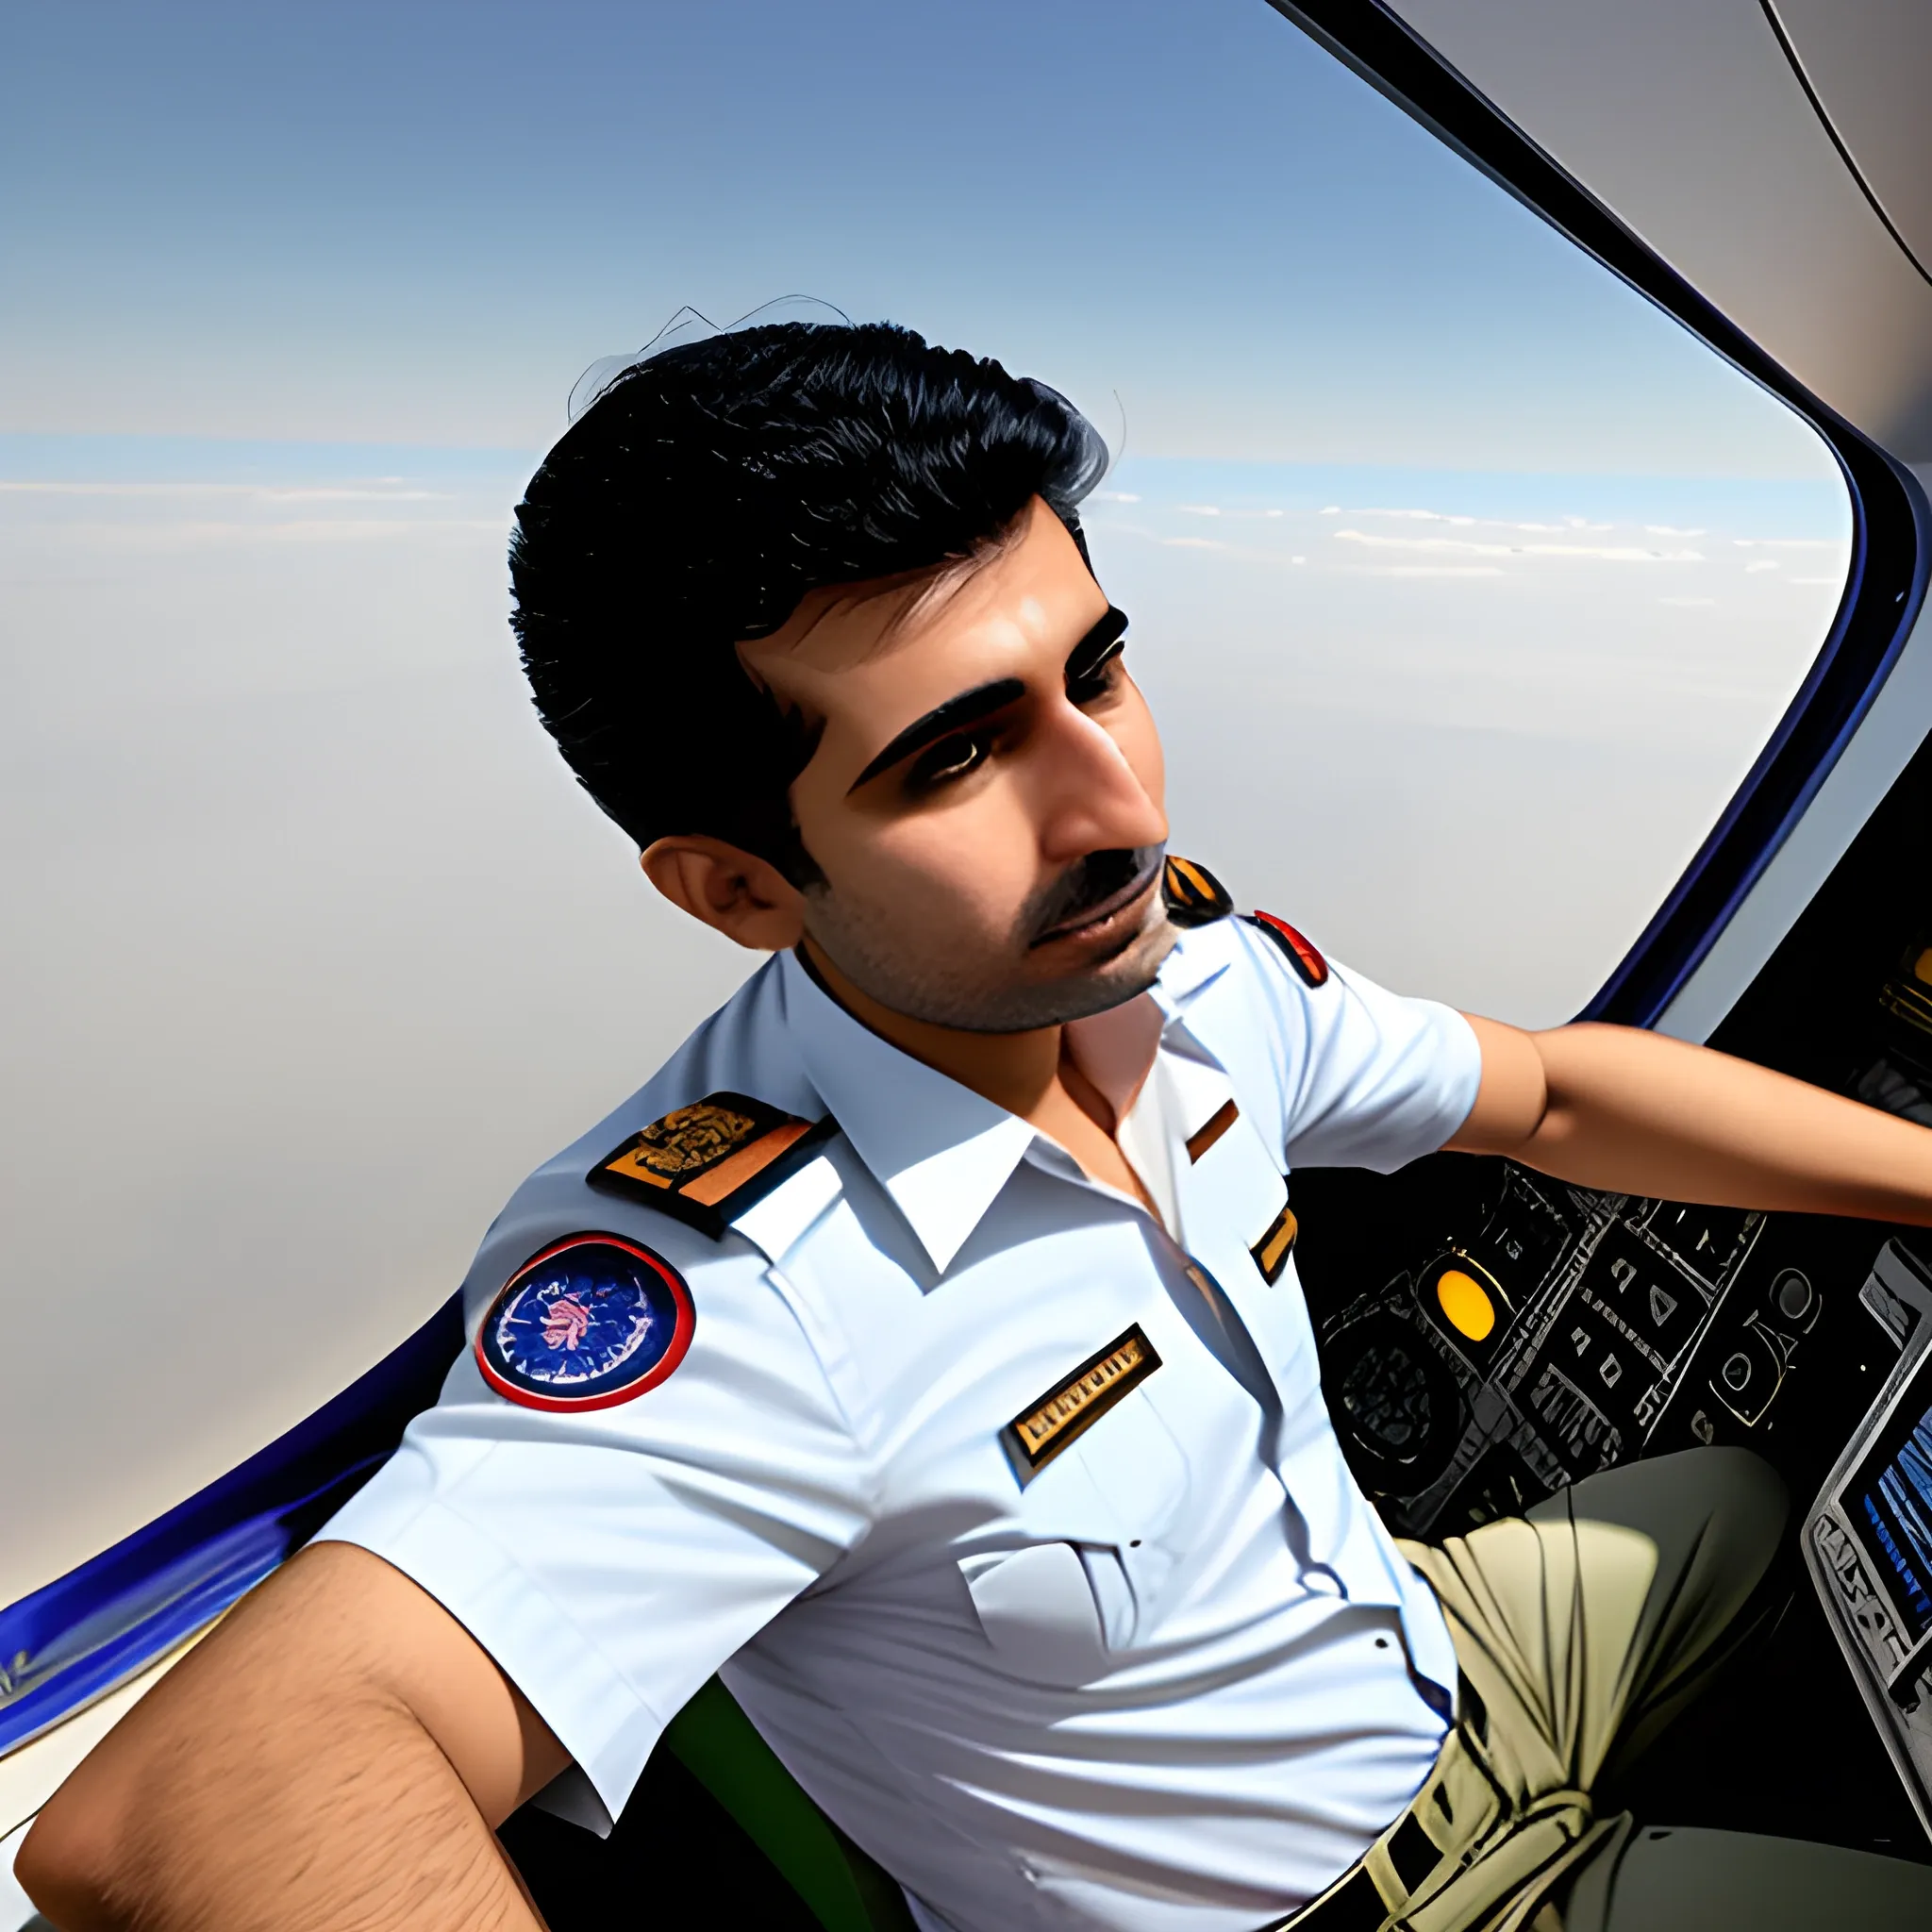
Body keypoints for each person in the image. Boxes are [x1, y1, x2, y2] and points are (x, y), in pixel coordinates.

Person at [20, 323, 1932, 1932]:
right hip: (1359, 1907)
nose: (1114, 807)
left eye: (1093, 667)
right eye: (952, 752)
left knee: (1770, 1489)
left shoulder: (1183, 979)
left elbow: (1552, 1089)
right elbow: (186, 1799)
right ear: (738, 888)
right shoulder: (748, 1296)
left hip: (1431, 1657)